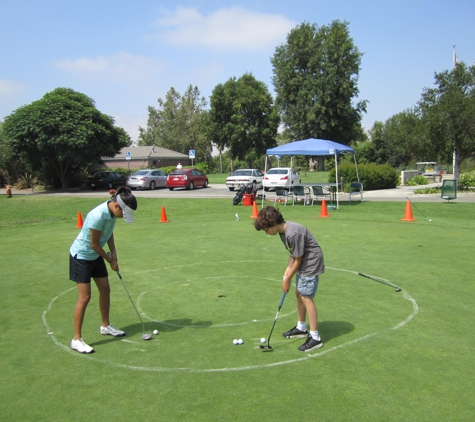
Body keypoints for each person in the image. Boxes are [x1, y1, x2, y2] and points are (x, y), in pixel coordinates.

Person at [69, 186, 138, 354]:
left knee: (105, 289)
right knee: (85, 297)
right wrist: (110, 261)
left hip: (95, 255)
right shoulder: (97, 216)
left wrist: (114, 255)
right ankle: (76, 339)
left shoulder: (113, 212)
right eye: (123, 214)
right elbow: (94, 244)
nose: (122, 217)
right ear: (116, 206)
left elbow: (109, 235)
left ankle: (105, 326)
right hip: (82, 257)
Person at [254, 206, 324, 352]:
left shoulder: (292, 233)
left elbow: (298, 259)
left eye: (266, 229)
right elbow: (293, 255)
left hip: (311, 262)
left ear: (273, 224)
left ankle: (315, 337)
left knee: (306, 296)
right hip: (303, 261)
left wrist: (287, 280)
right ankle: (301, 327)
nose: (266, 233)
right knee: (299, 293)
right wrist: (286, 276)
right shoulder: (283, 232)